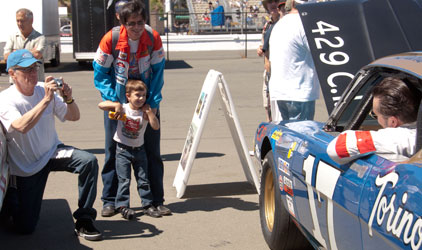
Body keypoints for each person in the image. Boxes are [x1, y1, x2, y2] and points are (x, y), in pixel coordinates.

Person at [0, 49, 102, 241]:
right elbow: (21, 126)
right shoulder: (6, 99)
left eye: (34, 69)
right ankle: (11, 199)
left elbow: (74, 116)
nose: (32, 74)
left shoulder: (43, 89)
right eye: (26, 70)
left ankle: (84, 219)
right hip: (27, 166)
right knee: (25, 227)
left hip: (52, 152)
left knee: (89, 161)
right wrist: (46, 101)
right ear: (12, 74)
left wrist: (68, 98)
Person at [93, 0, 171, 218]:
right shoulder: (111, 39)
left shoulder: (153, 38)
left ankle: (156, 200)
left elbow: (158, 73)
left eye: (140, 22)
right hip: (120, 104)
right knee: (113, 152)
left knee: (152, 152)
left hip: (146, 103)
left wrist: (152, 105)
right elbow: (99, 74)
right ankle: (110, 200)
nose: (137, 28)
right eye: (132, 23)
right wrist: (114, 101)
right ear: (122, 21)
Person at [98, 79, 162, 219]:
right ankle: (123, 206)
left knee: (143, 179)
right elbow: (101, 105)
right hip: (122, 150)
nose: (141, 99)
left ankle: (147, 204)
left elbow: (155, 126)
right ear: (128, 96)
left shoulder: (144, 112)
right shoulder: (124, 108)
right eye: (137, 95)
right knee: (124, 180)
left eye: (143, 96)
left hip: (140, 150)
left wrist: (150, 113)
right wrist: (116, 105)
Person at [327, 77, 420, 164]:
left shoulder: (396, 138)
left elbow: (335, 149)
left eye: (375, 115)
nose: (375, 119)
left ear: (393, 122)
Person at [268, 0, 320, 122]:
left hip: (281, 89)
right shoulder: (303, 24)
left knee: (289, 132)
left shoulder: (280, 24)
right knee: (301, 133)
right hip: (299, 90)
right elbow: (318, 52)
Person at [257, 0, 285, 122]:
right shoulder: (267, 25)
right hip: (268, 73)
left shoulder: (284, 23)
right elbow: (264, 46)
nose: (273, 5)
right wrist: (260, 49)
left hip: (281, 72)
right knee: (267, 106)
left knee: (280, 110)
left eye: (276, 1)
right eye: (269, 2)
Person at [4, 8, 46, 82]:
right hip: (16, 83)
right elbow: (6, 57)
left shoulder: (40, 38)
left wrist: (15, 53)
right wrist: (29, 53)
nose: (19, 24)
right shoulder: (12, 37)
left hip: (35, 83)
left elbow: (37, 54)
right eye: (17, 21)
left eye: (22, 21)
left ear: (31, 21)